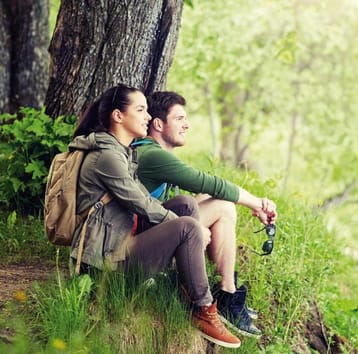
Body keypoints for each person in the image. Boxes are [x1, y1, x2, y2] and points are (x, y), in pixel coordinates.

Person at [68, 84, 241, 348]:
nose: (147, 117)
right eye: (140, 110)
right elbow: (142, 204)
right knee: (187, 227)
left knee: (185, 205)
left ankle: (186, 287)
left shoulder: (123, 152)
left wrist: (186, 220)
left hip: (119, 243)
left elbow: (147, 201)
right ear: (118, 116)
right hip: (105, 264)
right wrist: (193, 228)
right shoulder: (107, 157)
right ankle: (204, 308)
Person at [133, 91, 278, 337]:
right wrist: (256, 203)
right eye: (179, 119)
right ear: (158, 124)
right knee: (223, 206)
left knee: (209, 201)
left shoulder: (149, 151)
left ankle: (225, 290)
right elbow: (208, 182)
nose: (186, 124)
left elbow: (202, 191)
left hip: (146, 231)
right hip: (139, 246)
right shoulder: (153, 155)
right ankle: (226, 294)